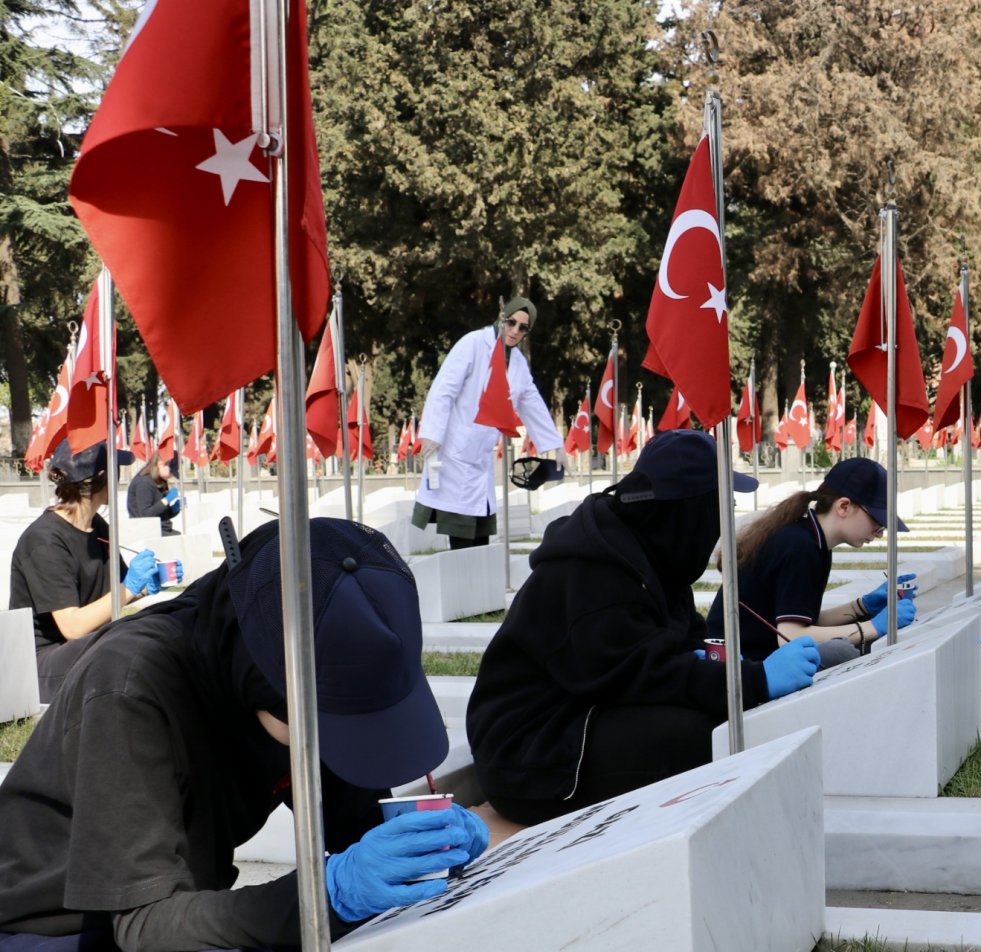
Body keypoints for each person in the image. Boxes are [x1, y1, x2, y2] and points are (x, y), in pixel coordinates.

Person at [0, 518, 488, 951]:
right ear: (265, 683)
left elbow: (353, 822)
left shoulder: (301, 672)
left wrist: (421, 849)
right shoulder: (130, 688)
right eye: (324, 728)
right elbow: (145, 926)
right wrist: (326, 895)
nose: (333, 746)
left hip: (180, 904)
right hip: (59, 930)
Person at [467, 429, 822, 831]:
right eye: (717, 507)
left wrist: (722, 663)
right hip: (531, 754)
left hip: (581, 717)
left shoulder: (655, 558)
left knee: (720, 721)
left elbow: (686, 645)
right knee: (694, 736)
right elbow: (636, 672)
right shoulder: (592, 571)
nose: (720, 524)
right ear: (688, 511)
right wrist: (751, 680)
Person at [709, 457, 917, 671]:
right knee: (845, 653)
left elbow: (803, 620)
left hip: (757, 653)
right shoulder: (801, 547)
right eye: (877, 520)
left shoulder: (811, 539)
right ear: (844, 506)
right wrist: (872, 627)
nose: (879, 533)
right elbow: (791, 635)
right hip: (740, 665)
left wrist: (861, 606)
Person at [7, 440, 159, 703]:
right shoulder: (45, 541)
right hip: (43, 665)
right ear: (101, 478)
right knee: (128, 646)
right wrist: (128, 589)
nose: (121, 478)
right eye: (116, 470)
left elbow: (118, 590)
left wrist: (147, 584)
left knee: (162, 626)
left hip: (90, 643)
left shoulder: (97, 526)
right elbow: (73, 627)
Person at [413, 297, 562, 549]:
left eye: (523, 328)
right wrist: (431, 433)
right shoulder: (473, 344)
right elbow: (443, 389)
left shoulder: (518, 363)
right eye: (511, 322)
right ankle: (463, 586)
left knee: (480, 529)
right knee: (460, 528)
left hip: (481, 457)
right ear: (502, 318)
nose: (515, 331)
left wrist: (555, 444)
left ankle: (476, 585)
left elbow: (531, 401)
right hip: (454, 452)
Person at [125, 454, 183, 536]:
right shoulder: (144, 483)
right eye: (171, 471)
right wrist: (166, 500)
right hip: (146, 531)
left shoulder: (160, 480)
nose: (172, 475)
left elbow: (160, 514)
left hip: (161, 528)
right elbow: (145, 514)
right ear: (160, 464)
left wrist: (174, 509)